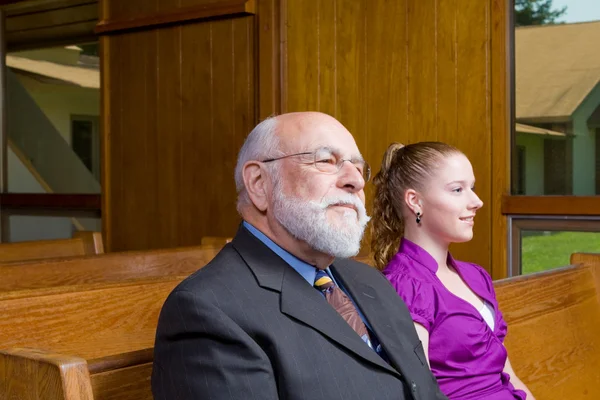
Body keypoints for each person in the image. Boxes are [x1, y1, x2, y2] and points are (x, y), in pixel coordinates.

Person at [151, 112, 448, 400]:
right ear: (259, 183)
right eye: (326, 161)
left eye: (359, 168)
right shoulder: (207, 311)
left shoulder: (369, 281)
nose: (355, 181)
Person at [371, 142, 535, 400]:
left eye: (473, 188)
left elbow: (509, 375)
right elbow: (419, 394)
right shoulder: (406, 285)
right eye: (458, 189)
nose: (477, 202)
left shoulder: (476, 276)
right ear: (415, 201)